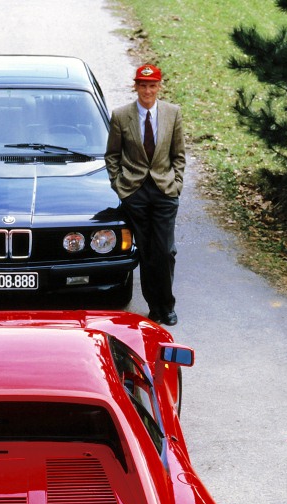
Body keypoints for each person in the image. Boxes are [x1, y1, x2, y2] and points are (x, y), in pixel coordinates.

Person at [105, 64, 185, 325]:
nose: (147, 90)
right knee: (147, 252)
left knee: (164, 251)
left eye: (152, 86)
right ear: (136, 86)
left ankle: (167, 304)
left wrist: (176, 185)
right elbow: (113, 155)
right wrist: (120, 186)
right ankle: (154, 306)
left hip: (164, 190)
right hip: (135, 191)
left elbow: (178, 155)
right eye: (143, 85)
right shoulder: (121, 115)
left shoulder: (172, 114)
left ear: (159, 87)